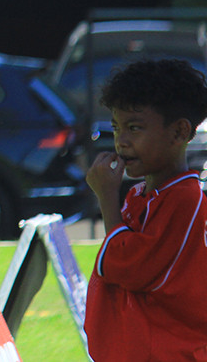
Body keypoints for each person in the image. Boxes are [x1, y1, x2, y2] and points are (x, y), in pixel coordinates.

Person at [84, 59, 207, 361]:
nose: (121, 141)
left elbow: (129, 267)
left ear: (179, 132)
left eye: (134, 128)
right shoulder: (143, 195)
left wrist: (107, 198)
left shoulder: (184, 199)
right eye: (116, 128)